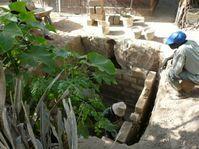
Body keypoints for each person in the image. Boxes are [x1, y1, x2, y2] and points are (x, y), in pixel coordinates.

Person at [162, 31, 199, 95]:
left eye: (171, 44)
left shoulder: (181, 50)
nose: (169, 45)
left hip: (197, 77)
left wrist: (172, 63)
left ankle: (182, 93)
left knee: (170, 74)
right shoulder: (191, 42)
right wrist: (168, 58)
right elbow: (177, 52)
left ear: (177, 44)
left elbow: (176, 71)